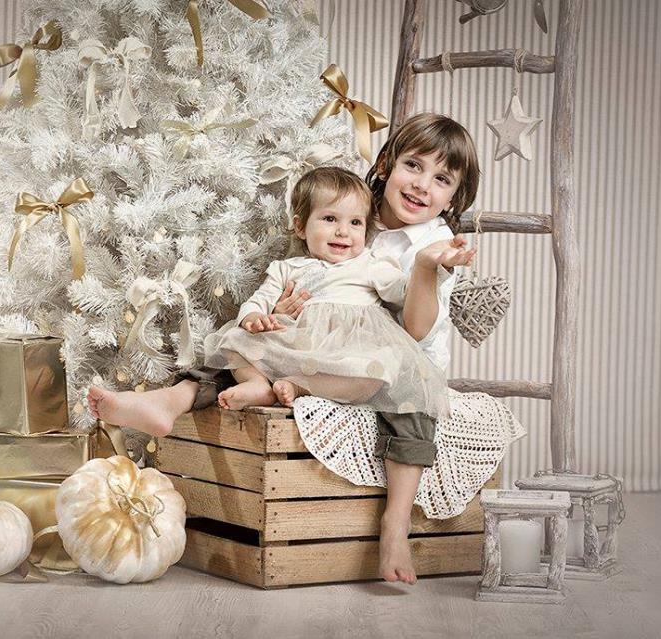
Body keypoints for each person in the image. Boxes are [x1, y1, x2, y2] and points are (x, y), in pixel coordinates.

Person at [88, 112, 481, 585]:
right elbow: (301, 280)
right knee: (243, 346)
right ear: (386, 165)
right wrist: (280, 312)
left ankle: (395, 526)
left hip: (394, 356)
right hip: (319, 342)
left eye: (442, 179)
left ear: (454, 197)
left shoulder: (435, 242)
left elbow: (414, 330)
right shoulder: (354, 206)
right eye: (413, 166)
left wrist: (425, 267)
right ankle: (167, 401)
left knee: (411, 406)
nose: (421, 184)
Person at [199, 166, 470, 423]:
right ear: (301, 227)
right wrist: (253, 317)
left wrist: (434, 267)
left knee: (382, 366)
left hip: (349, 352)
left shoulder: (372, 262)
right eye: (330, 219)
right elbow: (260, 299)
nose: (343, 231)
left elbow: (404, 292)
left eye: (355, 222)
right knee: (234, 339)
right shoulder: (287, 268)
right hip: (298, 346)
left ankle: (300, 387)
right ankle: (257, 384)